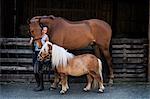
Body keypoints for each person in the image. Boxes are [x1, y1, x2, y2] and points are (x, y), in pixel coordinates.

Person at [29, 26, 49, 91]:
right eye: (43, 30)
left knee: (39, 69)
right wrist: (32, 40)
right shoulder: (36, 36)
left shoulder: (46, 37)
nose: (44, 31)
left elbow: (47, 46)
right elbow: (30, 44)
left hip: (41, 53)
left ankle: (41, 86)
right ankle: (38, 84)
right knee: (35, 70)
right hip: (35, 53)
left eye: (45, 30)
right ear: (41, 30)